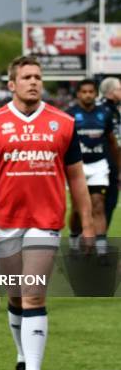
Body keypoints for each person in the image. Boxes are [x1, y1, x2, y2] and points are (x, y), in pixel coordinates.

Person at [0, 56, 94, 370]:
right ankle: (21, 359)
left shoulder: (64, 123)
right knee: (15, 296)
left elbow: (77, 178)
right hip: (6, 222)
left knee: (32, 293)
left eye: (38, 77)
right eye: (26, 77)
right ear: (11, 84)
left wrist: (87, 225)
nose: (33, 82)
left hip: (45, 223)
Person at [66, 79, 119, 257]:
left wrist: (118, 169)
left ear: (96, 94)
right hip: (77, 167)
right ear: (78, 94)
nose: (88, 95)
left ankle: (101, 251)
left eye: (91, 91)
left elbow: (112, 143)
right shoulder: (70, 114)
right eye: (84, 92)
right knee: (77, 208)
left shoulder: (104, 114)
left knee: (98, 205)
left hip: (99, 165)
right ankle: (74, 240)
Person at [99, 77, 121, 227]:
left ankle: (101, 239)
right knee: (100, 203)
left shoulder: (114, 110)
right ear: (111, 92)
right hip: (103, 162)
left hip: (114, 161)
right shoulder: (101, 110)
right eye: (119, 89)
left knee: (111, 202)